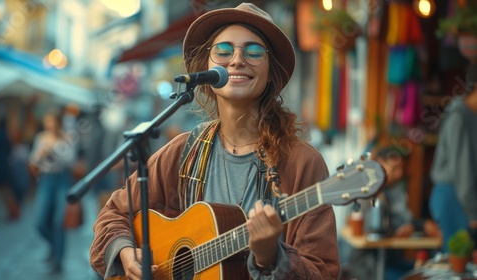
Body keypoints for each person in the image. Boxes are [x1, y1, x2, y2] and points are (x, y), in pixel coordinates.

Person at [89, 3, 340, 280]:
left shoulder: (301, 163)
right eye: (223, 51)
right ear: (206, 69)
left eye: (254, 52)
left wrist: (273, 258)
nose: (236, 60)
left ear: (270, 73)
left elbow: (322, 272)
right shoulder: (183, 152)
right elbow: (113, 214)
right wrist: (126, 252)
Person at [346, 146, 441, 280]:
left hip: (390, 260)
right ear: (379, 163)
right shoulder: (363, 191)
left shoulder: (396, 190)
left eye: (401, 169)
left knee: (426, 273)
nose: (400, 174)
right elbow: (363, 226)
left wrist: (415, 226)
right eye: (395, 169)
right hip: (368, 265)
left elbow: (406, 219)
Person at [429, 63, 477, 253]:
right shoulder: (459, 117)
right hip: (452, 195)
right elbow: (463, 171)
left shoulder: (471, 115)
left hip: (462, 195)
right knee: (455, 262)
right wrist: (474, 213)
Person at [29, 109, 76, 273]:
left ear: (58, 122)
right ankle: (54, 245)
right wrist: (40, 154)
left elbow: (70, 161)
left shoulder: (67, 138)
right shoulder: (41, 138)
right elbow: (33, 160)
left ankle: (58, 259)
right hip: (46, 180)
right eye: (46, 121)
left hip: (62, 180)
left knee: (58, 222)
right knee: (40, 223)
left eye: (52, 121)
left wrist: (53, 151)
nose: (49, 125)